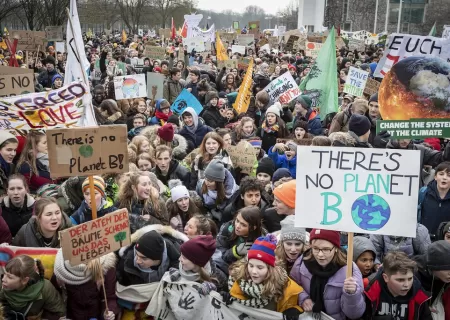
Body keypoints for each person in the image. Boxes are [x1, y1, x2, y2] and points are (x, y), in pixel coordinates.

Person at [290, 228, 366, 320]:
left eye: (326, 249)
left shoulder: (350, 270)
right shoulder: (301, 263)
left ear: (336, 248)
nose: (320, 255)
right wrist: (303, 298)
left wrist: (352, 294)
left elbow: (354, 314)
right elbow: (292, 286)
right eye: (316, 248)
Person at [227, 234, 304, 320]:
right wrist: (227, 296)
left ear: (270, 269)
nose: (254, 272)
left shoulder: (284, 287)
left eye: (260, 267)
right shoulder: (237, 280)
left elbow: (299, 307)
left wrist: (295, 309)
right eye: (251, 265)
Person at [363, 252, 432, 320]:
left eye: (410, 278)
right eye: (400, 280)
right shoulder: (370, 290)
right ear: (386, 278)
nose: (406, 285)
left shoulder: (418, 294)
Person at [52, 250, 119, 320]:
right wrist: (58, 317)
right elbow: (52, 301)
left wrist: (109, 311)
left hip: (97, 315)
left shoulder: (105, 266)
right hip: (71, 315)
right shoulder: (61, 268)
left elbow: (109, 297)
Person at [0, 255, 65, 319]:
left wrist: (41, 317)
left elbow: (60, 313)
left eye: (9, 277)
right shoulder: (3, 284)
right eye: (5, 274)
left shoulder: (45, 288)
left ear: (24, 280)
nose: (3, 279)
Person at [413, 241, 450, 319]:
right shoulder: (414, 273)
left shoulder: (443, 275)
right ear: (434, 266)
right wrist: (424, 308)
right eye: (447, 269)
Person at [418, 161, 450, 239]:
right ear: (435, 176)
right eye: (441, 174)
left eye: (449, 175)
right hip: (424, 239)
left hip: (445, 242)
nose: (444, 178)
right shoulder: (423, 192)